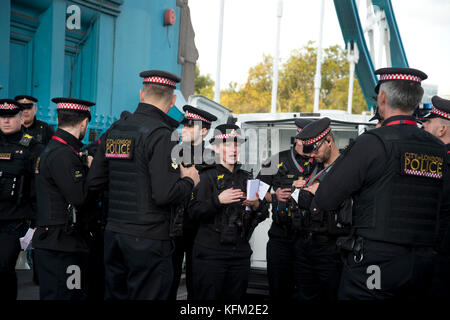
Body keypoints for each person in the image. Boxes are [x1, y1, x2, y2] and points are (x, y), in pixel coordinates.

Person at [314, 67, 447, 299]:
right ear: (416, 101)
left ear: (383, 98)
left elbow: (325, 198)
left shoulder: (373, 143)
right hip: (422, 265)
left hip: (377, 263)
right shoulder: (438, 149)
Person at [86, 70, 199, 300]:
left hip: (114, 234)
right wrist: (190, 181)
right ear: (173, 100)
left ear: (141, 94)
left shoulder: (115, 130)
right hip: (149, 239)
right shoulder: (163, 135)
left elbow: (95, 181)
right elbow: (164, 194)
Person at [189, 124, 268, 300]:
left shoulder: (247, 178)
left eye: (237, 144)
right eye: (227, 144)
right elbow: (193, 213)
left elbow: (264, 214)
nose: (233, 149)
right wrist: (218, 201)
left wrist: (256, 205)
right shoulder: (204, 176)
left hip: (240, 254)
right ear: (215, 148)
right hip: (211, 254)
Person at [32, 97, 95, 300]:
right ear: (84, 122)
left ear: (58, 120)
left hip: (56, 242)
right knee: (68, 294)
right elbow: (80, 197)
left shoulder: (54, 149)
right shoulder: (64, 155)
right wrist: (92, 172)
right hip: (63, 246)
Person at [257, 118, 317, 300]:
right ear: (298, 137)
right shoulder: (276, 160)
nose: (309, 144)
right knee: (279, 289)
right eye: (305, 139)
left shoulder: (319, 162)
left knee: (306, 292)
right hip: (281, 237)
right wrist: (275, 196)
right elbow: (255, 193)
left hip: (309, 238)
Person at [294, 118, 351, 300]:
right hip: (306, 242)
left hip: (331, 246)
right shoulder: (313, 166)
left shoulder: (346, 168)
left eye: (316, 149)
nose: (313, 155)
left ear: (329, 141)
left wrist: (324, 192)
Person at [169, 105, 217, 300]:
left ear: (204, 131)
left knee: (197, 282)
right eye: (184, 126)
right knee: (169, 279)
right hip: (173, 224)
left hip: (200, 226)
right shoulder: (172, 153)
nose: (185, 130)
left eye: (191, 126)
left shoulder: (212, 158)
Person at [0, 99, 44, 300]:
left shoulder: (32, 148)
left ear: (20, 118)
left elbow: (39, 188)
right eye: (2, 117)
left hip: (14, 220)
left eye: (11, 117)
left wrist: (36, 223)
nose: (6, 121)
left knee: (4, 267)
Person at [422, 95, 450, 297]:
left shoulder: (440, 164)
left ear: (442, 130)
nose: (423, 126)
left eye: (427, 122)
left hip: (439, 256)